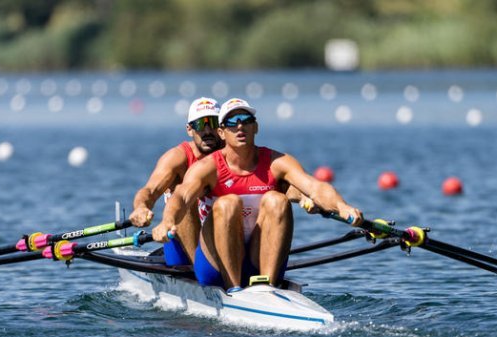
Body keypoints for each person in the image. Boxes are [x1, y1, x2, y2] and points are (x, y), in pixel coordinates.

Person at [152, 98, 363, 292]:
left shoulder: (277, 161)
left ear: (256, 127)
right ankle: (233, 288)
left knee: (277, 200)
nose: (240, 126)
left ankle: (268, 288)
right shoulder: (207, 167)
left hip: (257, 257)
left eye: (246, 120)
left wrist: (342, 207)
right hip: (215, 266)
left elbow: (315, 187)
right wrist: (167, 222)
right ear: (222, 133)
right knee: (228, 203)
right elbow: (180, 197)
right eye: (232, 122)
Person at [129, 97, 223, 266]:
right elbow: (150, 191)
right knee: (183, 196)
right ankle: (201, 269)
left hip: (223, 237)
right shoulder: (177, 158)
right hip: (182, 247)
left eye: (214, 123)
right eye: (201, 125)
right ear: (189, 129)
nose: (208, 131)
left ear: (222, 127)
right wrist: (141, 207)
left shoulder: (236, 155)